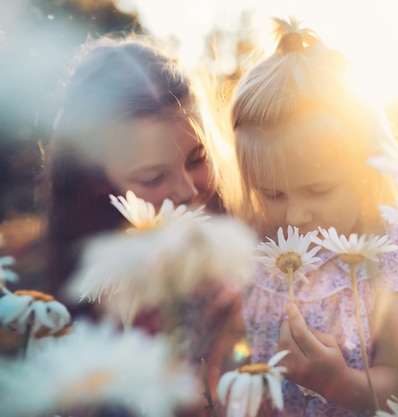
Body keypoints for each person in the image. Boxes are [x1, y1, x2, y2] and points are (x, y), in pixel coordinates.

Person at [230, 17, 398, 416]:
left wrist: (338, 382)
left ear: (368, 172)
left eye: (318, 190)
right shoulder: (252, 253)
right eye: (272, 193)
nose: (295, 215)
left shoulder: (393, 260)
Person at [44, 35, 243, 412]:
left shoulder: (238, 244)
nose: (186, 191)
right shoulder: (97, 297)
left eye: (198, 158)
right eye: (153, 178)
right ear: (96, 180)